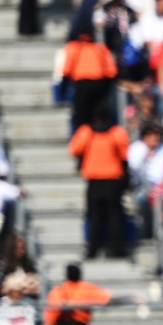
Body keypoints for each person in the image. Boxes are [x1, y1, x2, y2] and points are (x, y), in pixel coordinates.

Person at [69, 104, 131, 260]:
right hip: (112, 181)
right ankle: (118, 250)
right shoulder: (117, 133)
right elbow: (125, 155)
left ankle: (92, 251)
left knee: (94, 217)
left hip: (94, 182)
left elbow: (74, 150)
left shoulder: (86, 132)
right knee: (115, 217)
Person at [44, 263, 112, 325]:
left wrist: (50, 324)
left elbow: (52, 309)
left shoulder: (58, 289)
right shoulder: (87, 287)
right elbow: (106, 298)